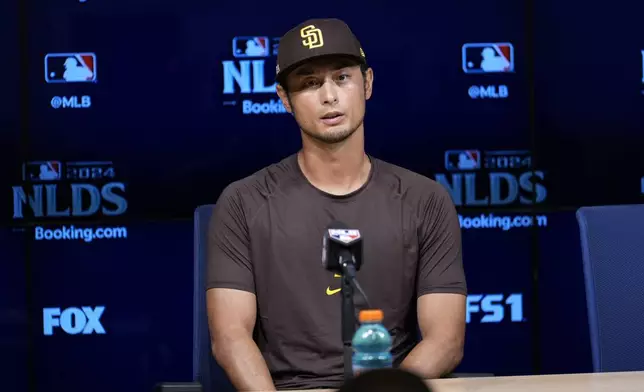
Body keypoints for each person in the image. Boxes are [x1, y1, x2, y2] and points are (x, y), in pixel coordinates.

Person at [206, 17, 467, 391]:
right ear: (284, 99)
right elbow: (231, 338)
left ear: (368, 83)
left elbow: (445, 340)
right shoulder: (243, 202)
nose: (329, 95)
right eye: (309, 83)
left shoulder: (425, 200)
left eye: (342, 77)